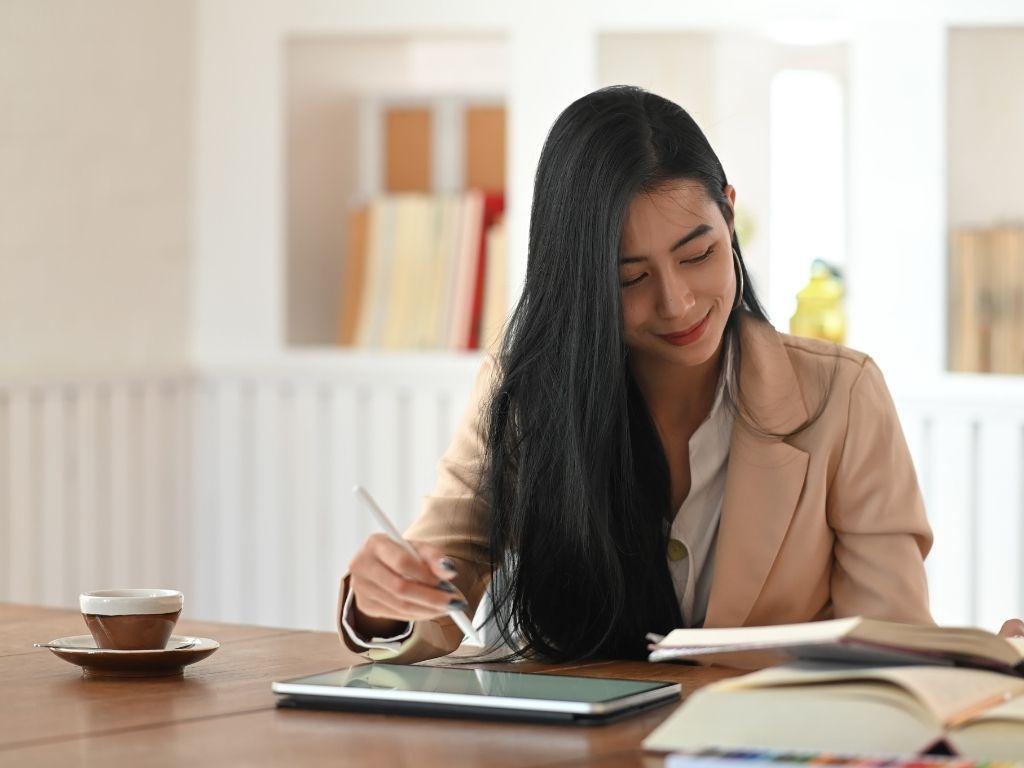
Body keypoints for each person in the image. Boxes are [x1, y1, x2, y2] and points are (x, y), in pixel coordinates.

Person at [336, 85, 1024, 665]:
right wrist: (385, 602)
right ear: (578, 281)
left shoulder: (842, 396)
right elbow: (436, 591)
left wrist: (980, 673)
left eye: (698, 254)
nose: (678, 302)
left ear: (728, 209)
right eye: (630, 277)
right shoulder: (528, 390)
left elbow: (891, 642)